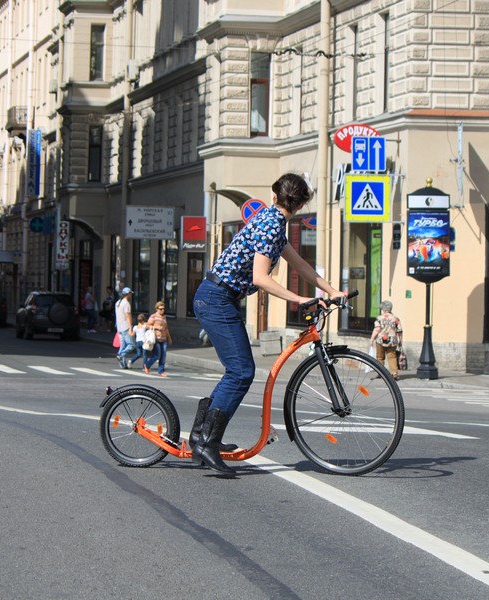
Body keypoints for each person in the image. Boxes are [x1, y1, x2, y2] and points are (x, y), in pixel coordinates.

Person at [191, 172, 346, 475]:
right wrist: (299, 300)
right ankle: (206, 442)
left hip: (218, 298)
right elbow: (260, 278)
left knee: (237, 371)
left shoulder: (273, 222)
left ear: (274, 196)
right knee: (241, 371)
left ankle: (201, 436)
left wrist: (331, 291)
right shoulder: (270, 225)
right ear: (301, 206)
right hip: (215, 299)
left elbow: (299, 264)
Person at [369, 300, 403, 380]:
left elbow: (377, 329)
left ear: (383, 309)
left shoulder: (379, 318)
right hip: (392, 340)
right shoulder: (396, 319)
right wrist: (400, 341)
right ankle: (394, 373)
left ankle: (380, 372)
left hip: (381, 340)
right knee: (392, 357)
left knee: (380, 357)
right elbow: (399, 331)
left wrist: (372, 339)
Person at [144, 301, 172, 376]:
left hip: (163, 338)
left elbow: (166, 328)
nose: (162, 310)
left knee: (163, 355)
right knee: (157, 355)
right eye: (161, 309)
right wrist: (156, 327)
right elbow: (147, 325)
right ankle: (147, 365)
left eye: (163, 309)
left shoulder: (164, 317)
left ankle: (161, 371)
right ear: (157, 309)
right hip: (156, 338)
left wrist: (169, 338)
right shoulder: (153, 316)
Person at [114, 287, 134, 368]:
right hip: (125, 326)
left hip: (119, 327)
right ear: (128, 294)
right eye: (130, 294)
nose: (131, 295)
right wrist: (130, 327)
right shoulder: (126, 304)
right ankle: (120, 355)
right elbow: (127, 315)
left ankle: (123, 365)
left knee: (122, 345)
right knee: (131, 345)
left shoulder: (118, 302)